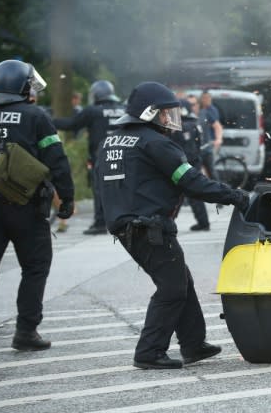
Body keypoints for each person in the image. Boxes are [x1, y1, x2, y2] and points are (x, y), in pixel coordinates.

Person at [95, 81, 249, 369]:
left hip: (127, 226)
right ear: (150, 113)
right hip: (149, 227)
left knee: (180, 279)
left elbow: (100, 187)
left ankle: (193, 343)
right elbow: (191, 181)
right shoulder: (156, 144)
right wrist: (235, 196)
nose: (170, 120)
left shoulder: (111, 142)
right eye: (166, 114)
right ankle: (149, 351)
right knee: (172, 288)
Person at [0, 60, 74, 356]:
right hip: (26, 208)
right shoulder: (34, 116)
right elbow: (56, 159)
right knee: (35, 267)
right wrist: (66, 198)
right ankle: (26, 331)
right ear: (21, 86)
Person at [52, 80, 125, 235]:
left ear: (97, 94)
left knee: (100, 190)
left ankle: (100, 223)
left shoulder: (93, 110)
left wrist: (47, 120)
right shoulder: (123, 109)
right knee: (123, 188)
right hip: (124, 154)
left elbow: (72, 124)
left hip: (102, 156)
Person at [171, 99, 210, 231]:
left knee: (175, 196)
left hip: (184, 164)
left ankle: (168, 223)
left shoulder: (181, 126)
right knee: (194, 194)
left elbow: (177, 148)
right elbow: (199, 145)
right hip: (195, 162)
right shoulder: (195, 123)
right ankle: (203, 222)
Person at [197, 91, 223, 179]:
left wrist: (218, 139)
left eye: (208, 98)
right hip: (201, 144)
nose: (206, 100)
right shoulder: (200, 110)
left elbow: (217, 125)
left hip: (209, 142)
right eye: (204, 98)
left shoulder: (210, 110)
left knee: (210, 169)